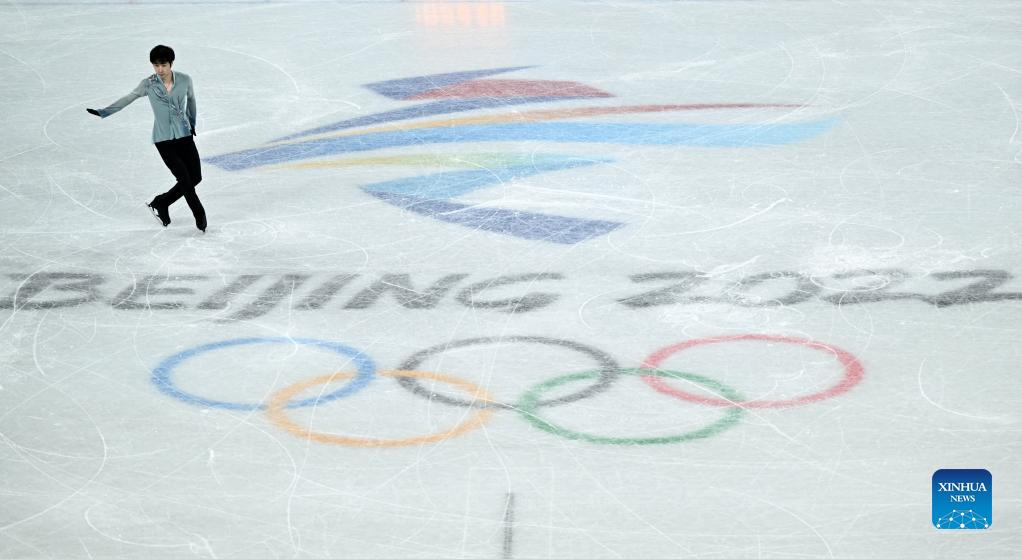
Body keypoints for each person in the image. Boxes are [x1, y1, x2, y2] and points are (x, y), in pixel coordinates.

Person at [87, 45, 206, 232]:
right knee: (184, 178)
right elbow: (129, 98)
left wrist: (192, 123)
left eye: (163, 65)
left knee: (195, 177)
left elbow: (191, 100)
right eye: (156, 65)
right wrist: (104, 112)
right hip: (163, 140)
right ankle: (199, 214)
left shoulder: (185, 80)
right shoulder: (148, 84)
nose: (159, 70)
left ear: (171, 64)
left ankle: (162, 202)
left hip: (184, 135)